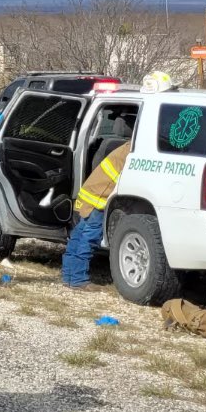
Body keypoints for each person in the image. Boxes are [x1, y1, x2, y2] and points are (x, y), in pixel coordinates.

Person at [64, 112, 133, 290]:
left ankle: (68, 276)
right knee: (89, 239)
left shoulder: (124, 147)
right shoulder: (132, 152)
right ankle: (78, 280)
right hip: (97, 200)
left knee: (78, 237)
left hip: (88, 195)